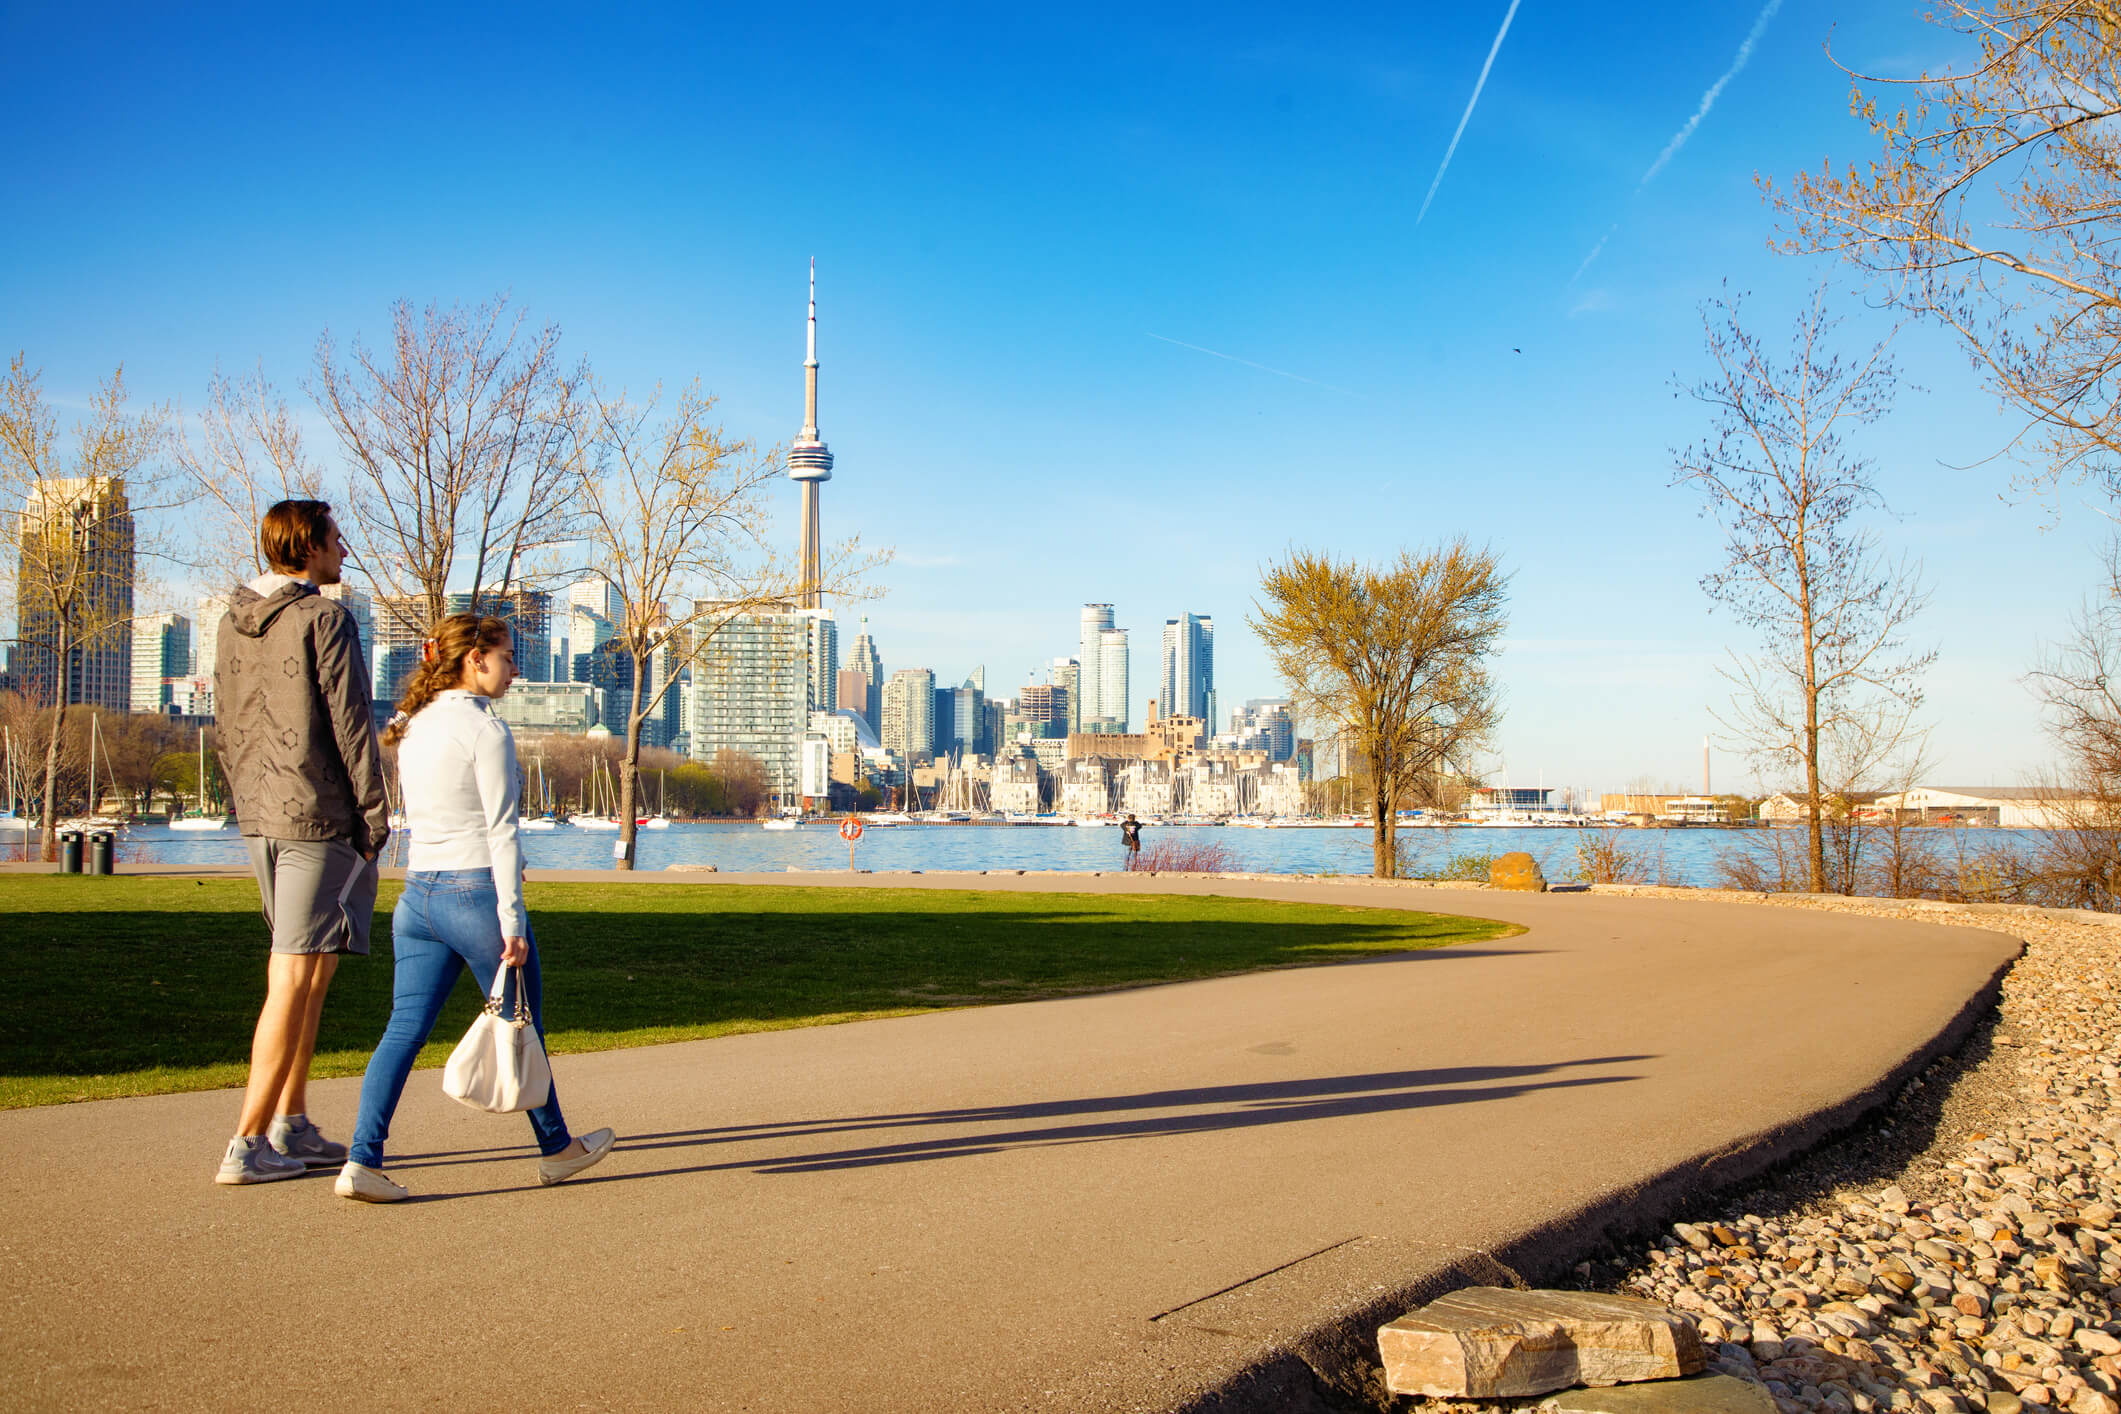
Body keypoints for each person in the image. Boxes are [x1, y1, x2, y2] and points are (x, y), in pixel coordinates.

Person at [336, 612, 614, 1202]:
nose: (516, 669)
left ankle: (361, 1160)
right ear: (474, 659)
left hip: (418, 897)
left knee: (403, 1031)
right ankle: (558, 1149)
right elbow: (501, 833)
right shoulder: (484, 730)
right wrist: (511, 923)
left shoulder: (413, 725)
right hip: (475, 895)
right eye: (508, 657)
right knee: (523, 1023)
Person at [212, 500, 388, 1184]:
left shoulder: (232, 621)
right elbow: (351, 725)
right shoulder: (325, 617)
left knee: (311, 975)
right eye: (336, 540)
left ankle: (292, 1121)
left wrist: (245, 803)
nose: (343, 551)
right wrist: (375, 814)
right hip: (317, 816)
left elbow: (223, 724)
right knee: (292, 979)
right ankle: (247, 1143)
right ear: (308, 546)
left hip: (260, 815)